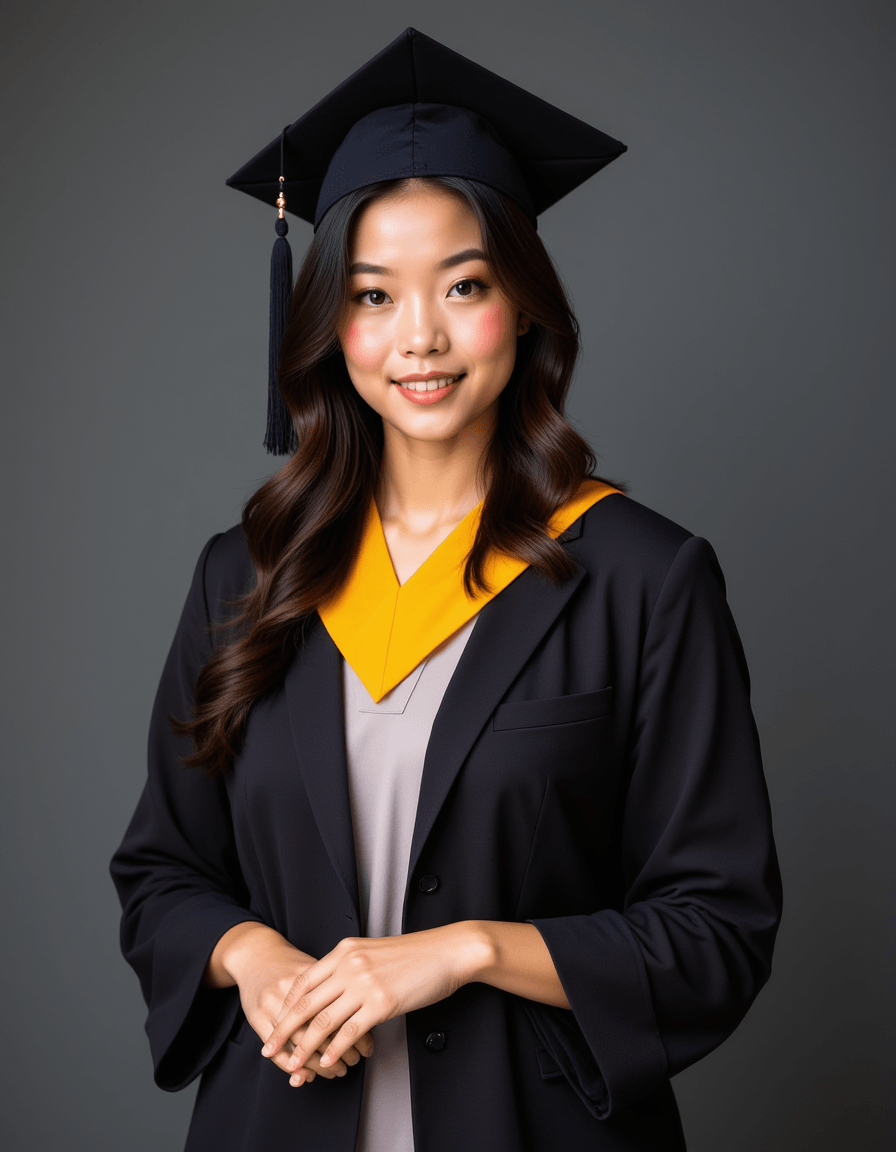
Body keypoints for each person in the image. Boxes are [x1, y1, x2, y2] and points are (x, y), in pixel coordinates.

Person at [109, 26, 783, 1152]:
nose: (416, 337)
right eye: (372, 296)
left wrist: (469, 947)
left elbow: (716, 929)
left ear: (521, 302)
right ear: (327, 322)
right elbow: (164, 870)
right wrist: (255, 958)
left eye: (461, 284)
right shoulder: (248, 573)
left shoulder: (639, 576)